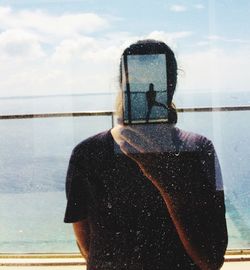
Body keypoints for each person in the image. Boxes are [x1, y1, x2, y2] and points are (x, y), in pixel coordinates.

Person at [64, 40, 228, 269]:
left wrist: (163, 177)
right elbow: (211, 260)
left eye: (153, 81)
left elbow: (89, 248)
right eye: (137, 82)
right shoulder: (197, 149)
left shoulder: (88, 152)